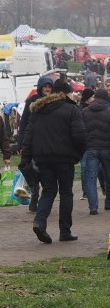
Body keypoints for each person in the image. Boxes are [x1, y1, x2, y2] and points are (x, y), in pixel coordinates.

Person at [20, 79, 87, 243]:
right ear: (64, 93)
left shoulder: (37, 110)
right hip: (65, 159)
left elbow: (28, 137)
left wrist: (25, 160)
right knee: (66, 193)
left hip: (42, 159)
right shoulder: (72, 109)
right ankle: (65, 231)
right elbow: (80, 136)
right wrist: (77, 154)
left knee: (48, 191)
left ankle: (39, 222)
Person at [81, 89, 110, 215]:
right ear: (106, 98)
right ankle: (109, 202)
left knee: (91, 178)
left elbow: (82, 131)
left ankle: (93, 207)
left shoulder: (85, 112)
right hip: (107, 149)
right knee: (109, 176)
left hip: (90, 149)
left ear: (95, 98)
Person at [17, 76, 54, 212]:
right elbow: (24, 123)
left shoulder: (53, 101)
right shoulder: (32, 101)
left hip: (48, 143)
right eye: (45, 87)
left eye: (49, 87)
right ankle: (34, 196)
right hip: (32, 142)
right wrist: (20, 144)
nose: (47, 89)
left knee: (45, 173)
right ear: (40, 87)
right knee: (30, 170)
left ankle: (41, 201)